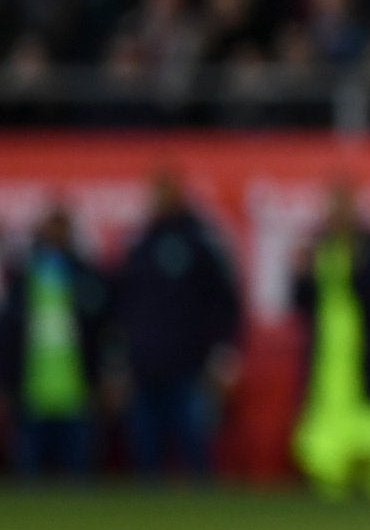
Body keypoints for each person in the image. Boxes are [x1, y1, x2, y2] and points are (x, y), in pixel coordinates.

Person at [289, 179, 370, 499]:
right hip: (329, 361)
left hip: (369, 356)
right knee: (326, 437)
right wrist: (302, 276)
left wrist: (360, 269)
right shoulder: (315, 248)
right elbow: (299, 303)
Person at [110, 169, 244, 479]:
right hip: (144, 366)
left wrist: (223, 354)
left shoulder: (200, 243)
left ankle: (206, 519)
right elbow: (122, 308)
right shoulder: (139, 244)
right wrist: (118, 362)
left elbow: (224, 304)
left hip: (190, 368)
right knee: (146, 454)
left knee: (195, 448)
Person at [1, 202, 109, 479]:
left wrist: (102, 377)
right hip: (32, 391)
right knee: (31, 480)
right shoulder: (25, 277)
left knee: (79, 477)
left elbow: (103, 331)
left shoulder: (86, 275)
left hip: (77, 391)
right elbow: (10, 335)